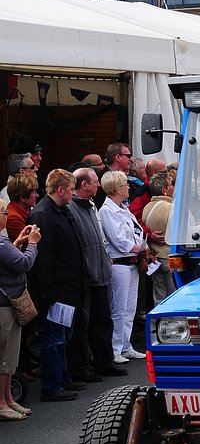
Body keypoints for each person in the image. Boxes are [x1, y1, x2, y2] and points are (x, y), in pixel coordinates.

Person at [29, 169, 89, 402]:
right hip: (57, 290)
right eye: (71, 189)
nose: (73, 194)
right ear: (61, 189)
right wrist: (47, 293)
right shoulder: (43, 214)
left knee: (63, 337)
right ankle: (52, 385)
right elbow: (44, 259)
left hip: (69, 287)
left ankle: (63, 378)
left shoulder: (61, 210)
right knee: (53, 338)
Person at [69, 167, 127, 380]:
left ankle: (105, 362)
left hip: (100, 273)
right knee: (84, 325)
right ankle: (82, 367)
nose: (98, 186)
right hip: (87, 276)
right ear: (84, 185)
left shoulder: (90, 205)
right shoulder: (72, 209)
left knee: (103, 321)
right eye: (95, 182)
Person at [99, 170, 146, 363]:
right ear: (117, 188)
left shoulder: (123, 208)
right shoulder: (107, 210)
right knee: (118, 308)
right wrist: (139, 248)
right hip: (120, 263)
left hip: (132, 263)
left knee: (129, 308)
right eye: (125, 184)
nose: (128, 187)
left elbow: (136, 231)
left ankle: (126, 345)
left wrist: (141, 246)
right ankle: (115, 348)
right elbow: (118, 239)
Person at [0, 199, 40, 420]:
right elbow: (24, 264)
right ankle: (2, 403)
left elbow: (9, 260)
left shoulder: (4, 243)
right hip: (5, 306)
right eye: (4, 212)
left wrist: (18, 242)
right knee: (5, 358)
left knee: (10, 358)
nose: (7, 215)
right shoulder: (0, 243)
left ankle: (8, 399)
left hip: (7, 305)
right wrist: (33, 244)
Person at [142, 171, 176, 304]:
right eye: (171, 185)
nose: (174, 188)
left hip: (154, 258)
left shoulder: (146, 208)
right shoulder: (171, 208)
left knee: (159, 296)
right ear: (164, 190)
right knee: (173, 295)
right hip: (169, 257)